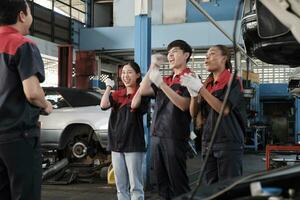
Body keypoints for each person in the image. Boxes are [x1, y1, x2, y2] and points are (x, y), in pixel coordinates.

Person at [0, 0, 53, 199]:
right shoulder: (22, 44)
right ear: (22, 15)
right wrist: (46, 105)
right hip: (18, 137)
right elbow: (32, 92)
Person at [180, 45, 245, 185]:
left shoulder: (233, 81)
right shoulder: (207, 84)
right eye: (206, 55)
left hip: (228, 143)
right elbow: (193, 113)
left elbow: (224, 110)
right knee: (211, 188)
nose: (207, 57)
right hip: (208, 142)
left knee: (229, 189)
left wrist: (201, 90)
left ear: (224, 59)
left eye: (212, 53)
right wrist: (193, 95)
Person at [138, 40, 193, 199]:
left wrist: (161, 84)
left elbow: (184, 105)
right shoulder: (168, 79)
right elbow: (143, 90)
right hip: (157, 135)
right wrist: (153, 67)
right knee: (162, 184)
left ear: (186, 55)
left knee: (178, 184)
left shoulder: (190, 77)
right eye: (168, 53)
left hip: (174, 136)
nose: (170, 55)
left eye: (174, 51)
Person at [100, 62, 149, 200]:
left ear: (137, 75)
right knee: (120, 186)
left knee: (136, 185)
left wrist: (141, 86)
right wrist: (109, 87)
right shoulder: (117, 94)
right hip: (116, 143)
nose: (125, 76)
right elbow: (103, 105)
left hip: (133, 143)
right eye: (123, 73)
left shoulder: (142, 94)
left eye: (129, 72)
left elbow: (135, 104)